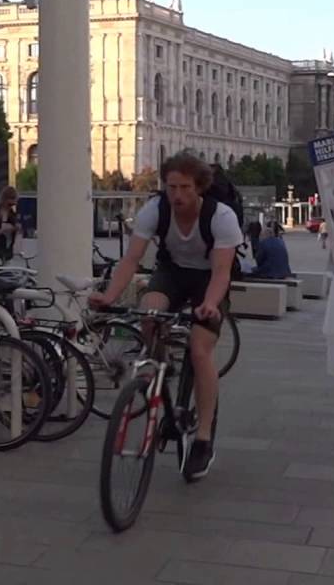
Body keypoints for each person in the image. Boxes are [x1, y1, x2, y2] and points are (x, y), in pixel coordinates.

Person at [89, 153, 240, 480]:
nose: (177, 195)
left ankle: (203, 438)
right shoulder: (154, 210)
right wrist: (109, 296)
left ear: (199, 187)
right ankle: (162, 364)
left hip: (208, 280)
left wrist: (210, 304)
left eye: (185, 187)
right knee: (149, 312)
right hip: (172, 273)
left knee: (200, 350)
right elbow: (132, 259)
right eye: (172, 187)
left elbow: (222, 271)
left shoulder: (221, 217)